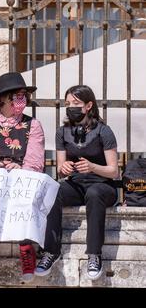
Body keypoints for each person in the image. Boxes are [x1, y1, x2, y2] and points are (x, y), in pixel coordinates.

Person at [34, 85, 119, 281]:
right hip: (76, 184)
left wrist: (92, 167)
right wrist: (64, 168)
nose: (70, 107)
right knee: (52, 191)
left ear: (89, 105)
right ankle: (50, 251)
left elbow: (114, 171)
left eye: (76, 103)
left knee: (94, 194)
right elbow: (61, 166)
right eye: (67, 104)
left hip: (103, 185)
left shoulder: (103, 131)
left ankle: (94, 255)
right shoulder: (62, 132)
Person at [0, 72, 45, 283]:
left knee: (18, 194)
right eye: (16, 95)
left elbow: (35, 162)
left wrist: (19, 168)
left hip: (22, 179)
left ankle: (25, 247)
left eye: (24, 95)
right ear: (3, 98)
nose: (21, 100)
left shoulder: (34, 126)